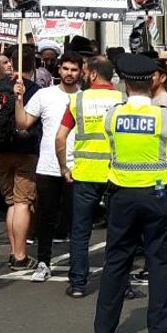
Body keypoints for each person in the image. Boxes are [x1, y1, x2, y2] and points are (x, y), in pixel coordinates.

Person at [93, 54, 167, 333]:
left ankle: (103, 332)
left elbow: (111, 145)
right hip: (157, 195)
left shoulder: (113, 116)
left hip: (121, 195)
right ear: (153, 81)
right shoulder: (163, 117)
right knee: (159, 263)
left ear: (123, 82)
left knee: (116, 261)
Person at [56, 55, 122, 297]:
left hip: (84, 173)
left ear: (93, 74)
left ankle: (77, 283)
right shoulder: (121, 100)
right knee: (118, 231)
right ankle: (119, 284)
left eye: (84, 71)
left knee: (80, 230)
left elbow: (60, 137)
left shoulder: (78, 99)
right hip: (115, 173)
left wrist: (65, 167)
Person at [14, 50, 82, 280]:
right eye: (66, 68)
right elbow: (23, 123)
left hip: (78, 167)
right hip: (48, 165)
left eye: (74, 69)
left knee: (77, 219)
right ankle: (43, 261)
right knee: (46, 217)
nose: (69, 73)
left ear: (81, 72)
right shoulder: (44, 95)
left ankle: (78, 263)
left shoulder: (84, 98)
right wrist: (18, 99)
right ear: (59, 70)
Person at [0, 49, 40, 270]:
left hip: (1, 148)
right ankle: (20, 255)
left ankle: (13, 250)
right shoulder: (33, 89)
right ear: (33, 66)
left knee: (10, 202)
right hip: (24, 150)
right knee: (22, 203)